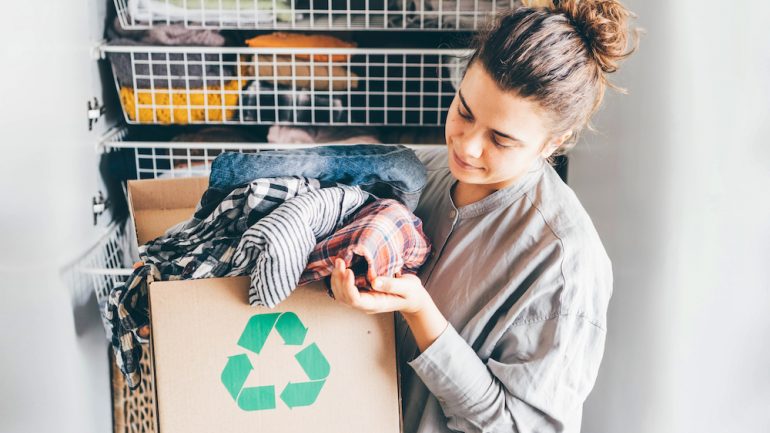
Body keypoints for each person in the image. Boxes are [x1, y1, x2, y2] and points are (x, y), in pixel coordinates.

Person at [328, 1, 639, 432]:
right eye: (464, 111)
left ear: (553, 142)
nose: (466, 147)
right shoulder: (424, 174)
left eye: (501, 139)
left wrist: (423, 315)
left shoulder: (565, 265)